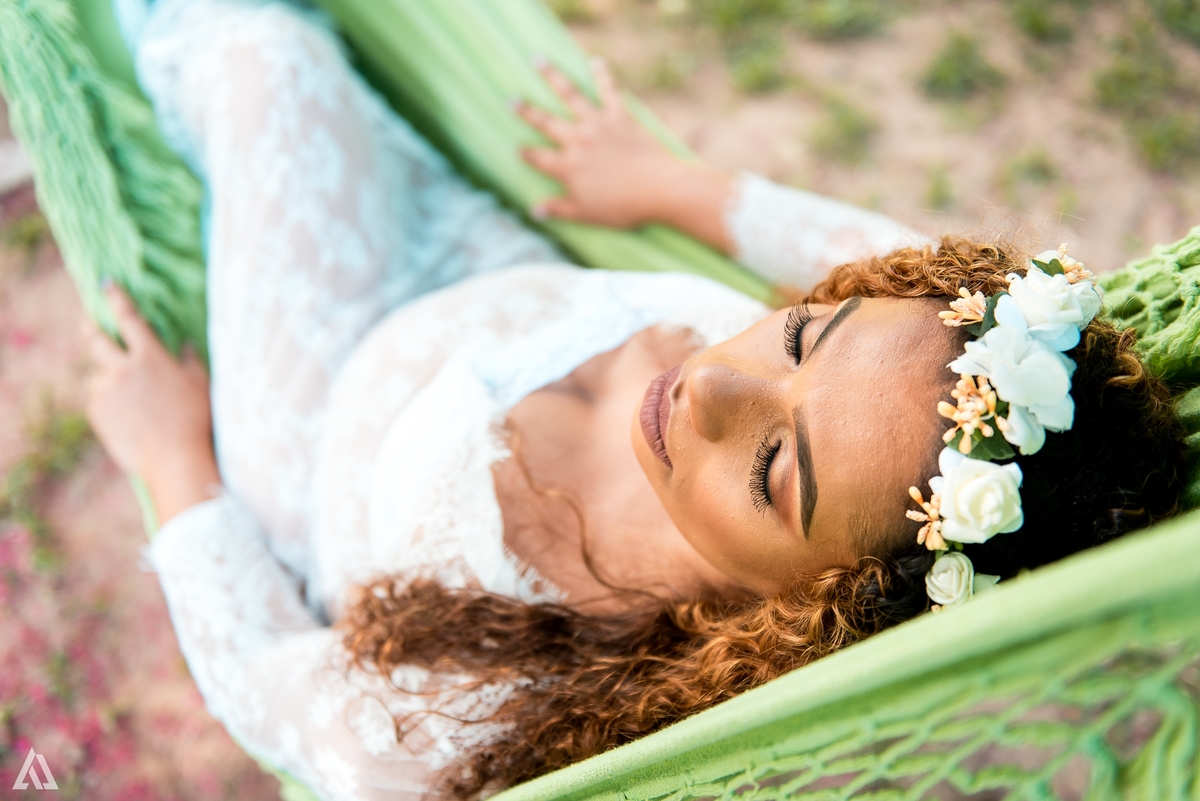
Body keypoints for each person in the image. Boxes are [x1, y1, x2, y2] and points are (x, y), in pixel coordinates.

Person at [83, 1, 1186, 798]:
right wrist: (682, 190)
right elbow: (881, 260)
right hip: (479, 258)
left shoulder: (508, 686)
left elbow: (271, 691)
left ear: (816, 609)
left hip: (323, 414)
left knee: (258, 55)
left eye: (771, 472)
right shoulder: (910, 389)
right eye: (804, 331)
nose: (709, 382)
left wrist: (176, 466)